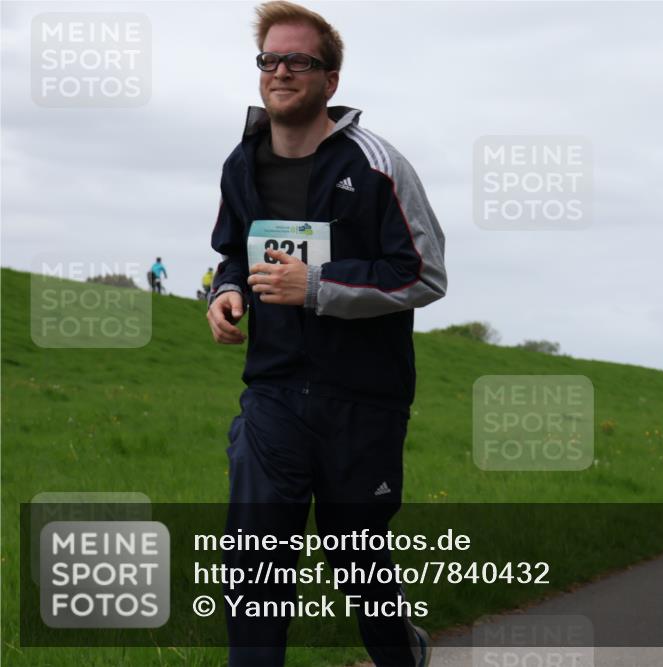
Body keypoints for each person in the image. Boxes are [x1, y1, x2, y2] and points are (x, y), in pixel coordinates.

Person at [206, 2, 446, 665]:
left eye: (299, 61)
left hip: (362, 400)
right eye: (270, 60)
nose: (280, 71)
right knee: (255, 563)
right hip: (273, 395)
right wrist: (226, 292)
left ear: (330, 80)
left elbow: (423, 275)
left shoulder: (376, 164)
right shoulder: (241, 163)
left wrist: (316, 286)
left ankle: (402, 651)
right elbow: (232, 250)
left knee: (357, 559)